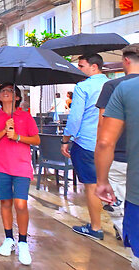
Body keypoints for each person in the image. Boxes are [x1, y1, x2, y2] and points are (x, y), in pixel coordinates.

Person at [0, 83, 39, 266]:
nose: (6, 93)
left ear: (17, 97)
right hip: (1, 166)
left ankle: (23, 241)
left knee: (21, 204)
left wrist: (17, 136)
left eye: (10, 91)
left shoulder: (25, 117)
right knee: (6, 202)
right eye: (3, 91)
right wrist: (4, 130)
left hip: (22, 166)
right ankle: (9, 238)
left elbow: (36, 139)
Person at [60, 54, 109, 240]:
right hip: (112, 143)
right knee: (113, 184)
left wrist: (65, 140)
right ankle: (121, 228)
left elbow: (75, 118)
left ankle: (96, 227)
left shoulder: (83, 87)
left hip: (87, 142)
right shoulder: (113, 85)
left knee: (91, 185)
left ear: (94, 67)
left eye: (81, 66)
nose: (79, 70)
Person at [95, 44, 139, 240]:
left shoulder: (115, 86)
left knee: (118, 208)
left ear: (126, 60)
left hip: (120, 158)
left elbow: (104, 135)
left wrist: (101, 179)